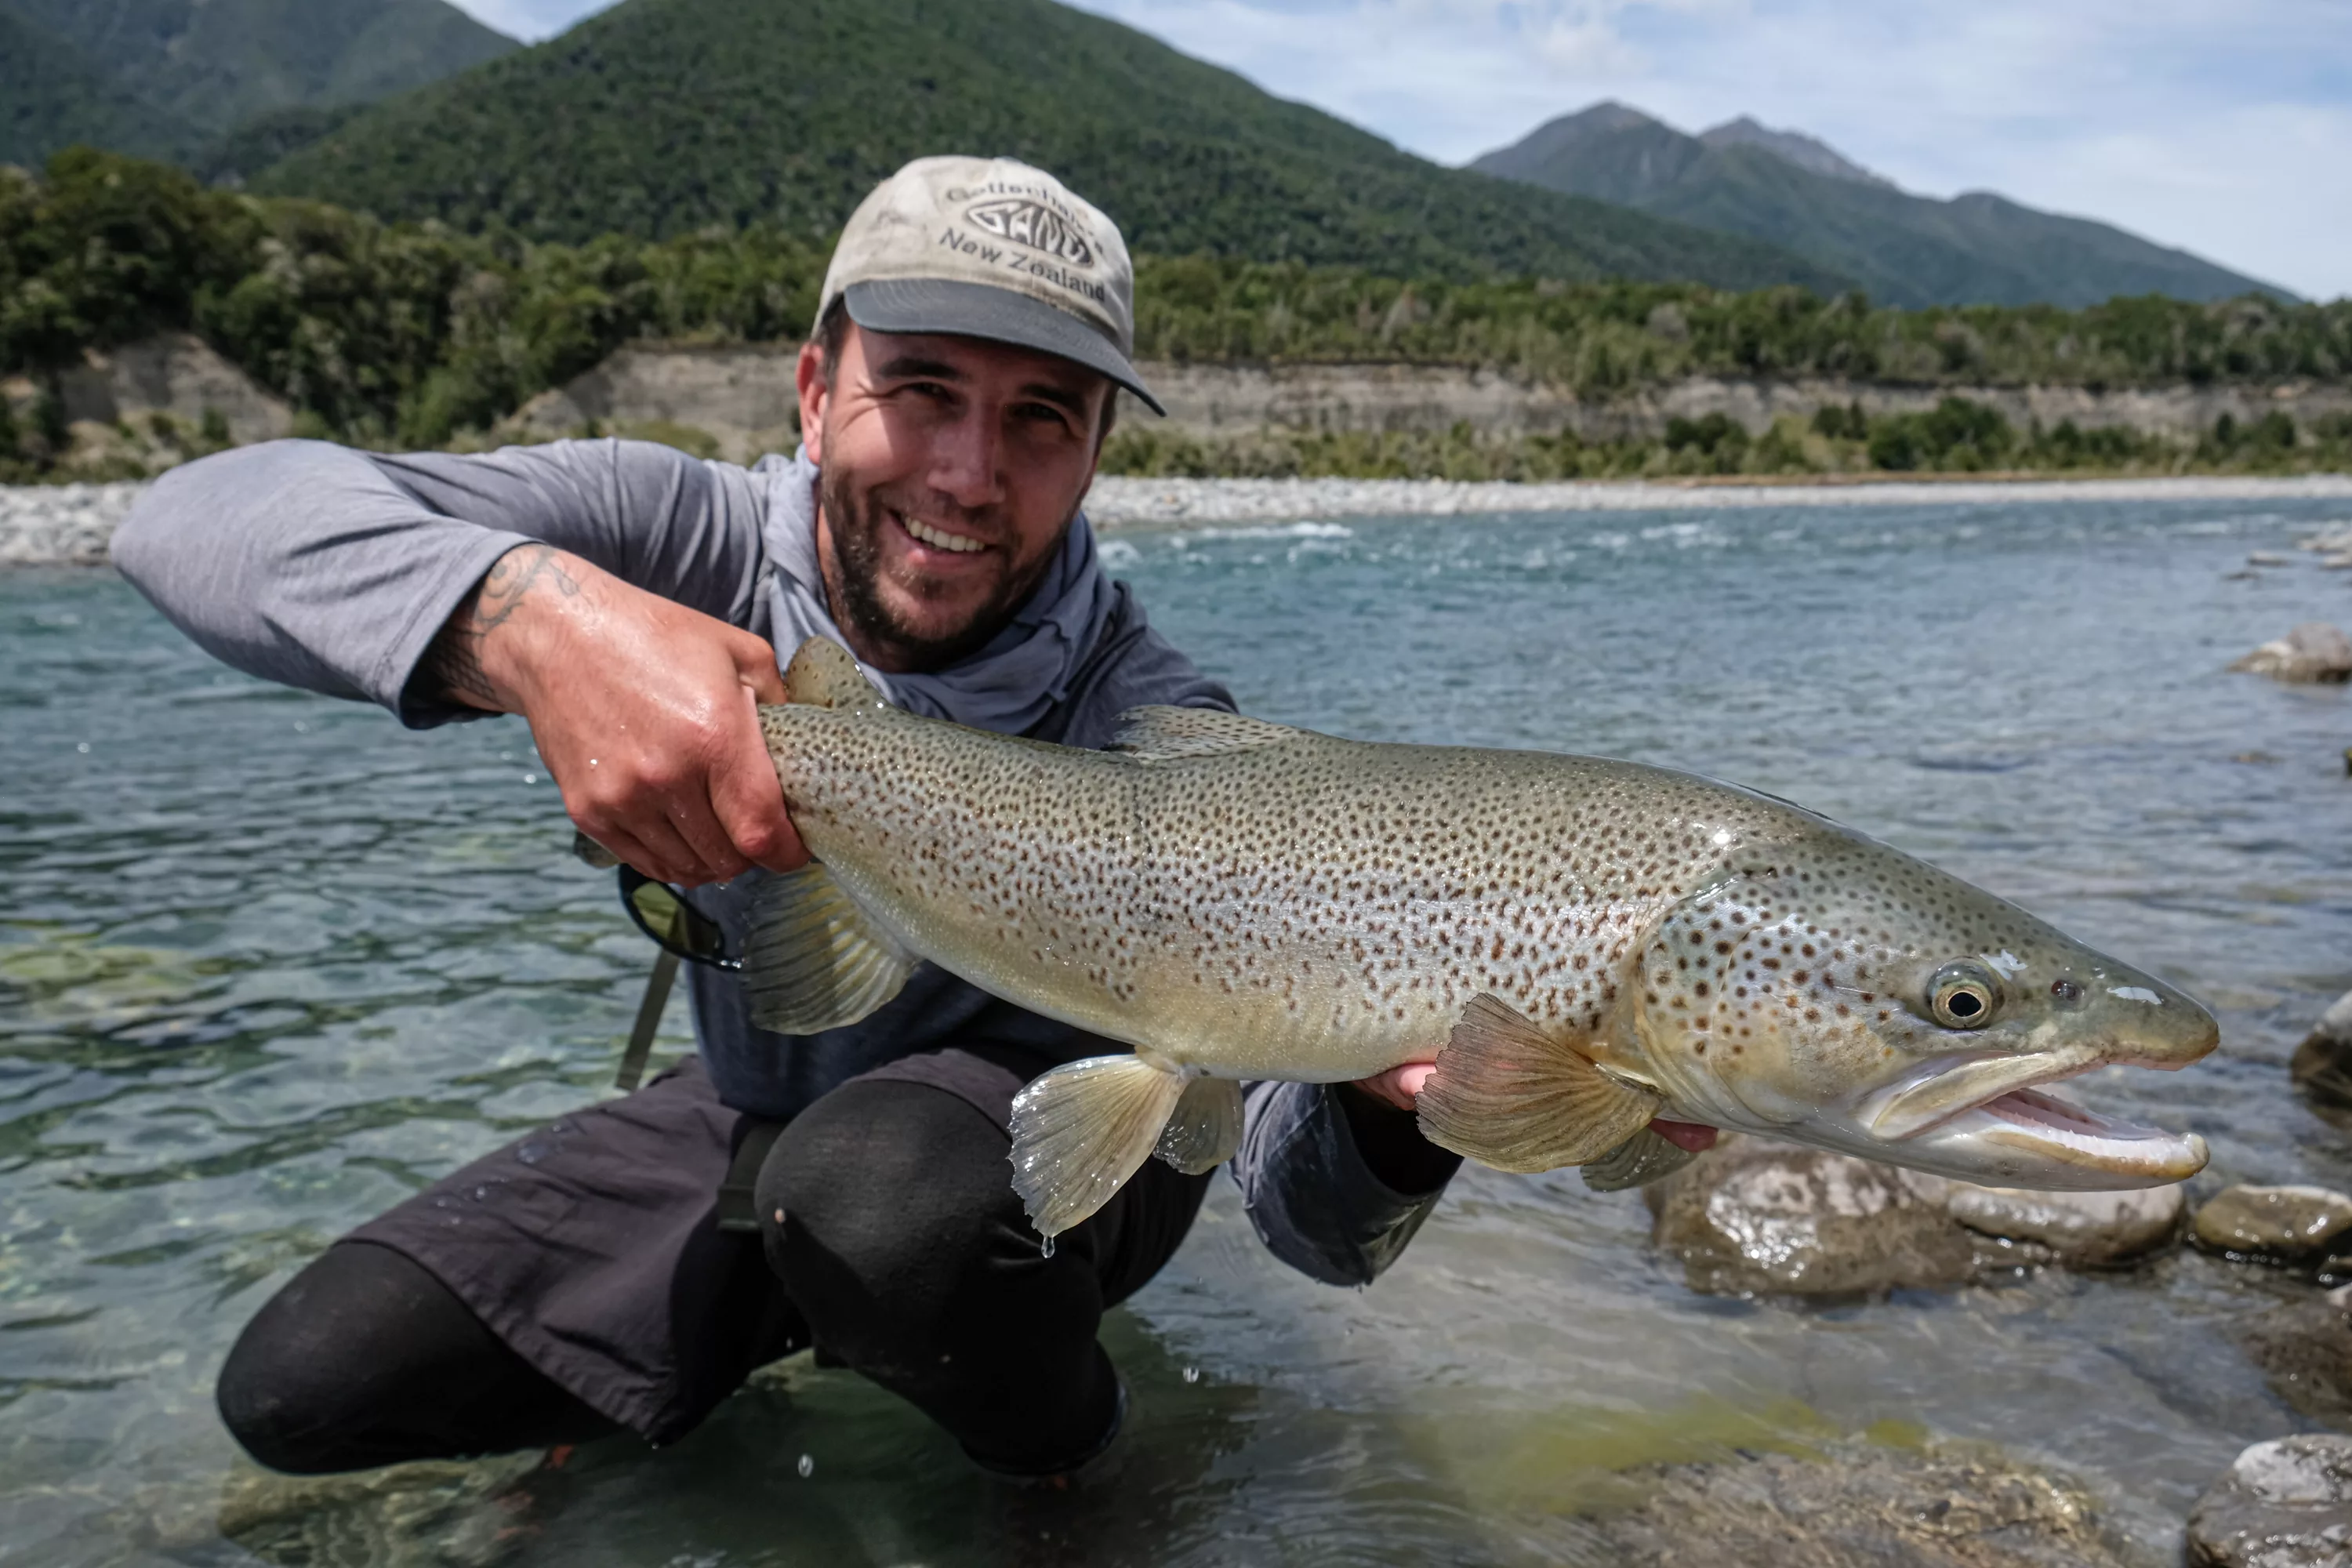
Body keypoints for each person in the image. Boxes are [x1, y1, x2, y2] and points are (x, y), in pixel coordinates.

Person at [112, 156, 1485, 1483]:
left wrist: (1387, 1119)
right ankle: (756, 1352)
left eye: (1041, 418)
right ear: (818, 392)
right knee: (305, 1388)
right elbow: (190, 520)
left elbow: (1315, 1231)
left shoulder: (1160, 722)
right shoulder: (666, 538)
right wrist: (527, 625)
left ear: (1094, 457)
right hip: (761, 1110)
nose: (966, 472)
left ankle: (1075, 1464)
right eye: (924, 390)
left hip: (1024, 1164)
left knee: (887, 1203)